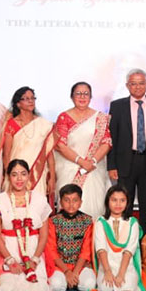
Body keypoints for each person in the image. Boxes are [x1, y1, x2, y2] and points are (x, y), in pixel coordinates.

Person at [107, 69, 146, 231]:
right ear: (127, 86)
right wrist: (111, 165)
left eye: (141, 83)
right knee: (124, 204)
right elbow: (112, 138)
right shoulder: (117, 106)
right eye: (133, 84)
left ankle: (145, 241)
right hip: (125, 162)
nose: (137, 87)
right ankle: (126, 239)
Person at [0, 159, 54, 291]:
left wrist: (35, 259)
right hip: (7, 253)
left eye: (23, 174)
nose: (19, 179)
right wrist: (10, 260)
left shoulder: (39, 199)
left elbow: (43, 235)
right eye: (14, 175)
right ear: (8, 177)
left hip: (33, 252)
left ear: (29, 176)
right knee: (7, 290)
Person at [52, 82, 112, 218]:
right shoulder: (64, 117)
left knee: (95, 207)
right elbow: (60, 145)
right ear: (72, 96)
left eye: (86, 94)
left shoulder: (100, 118)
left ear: (90, 97)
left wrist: (92, 161)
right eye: (78, 93)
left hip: (93, 168)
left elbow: (106, 142)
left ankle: (92, 232)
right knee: (69, 205)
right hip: (70, 168)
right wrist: (81, 162)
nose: (82, 97)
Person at [2, 86, 56, 197]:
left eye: (32, 98)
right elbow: (6, 154)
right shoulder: (11, 124)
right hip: (17, 172)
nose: (30, 101)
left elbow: (49, 152)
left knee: (36, 203)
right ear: (18, 103)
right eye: (26, 99)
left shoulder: (43, 124)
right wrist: (8, 176)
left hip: (38, 172)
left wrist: (52, 177)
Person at [92, 185, 144, 291]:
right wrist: (107, 271)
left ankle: (126, 281)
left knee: (127, 290)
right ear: (108, 201)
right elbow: (101, 249)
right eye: (114, 200)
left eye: (122, 200)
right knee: (105, 290)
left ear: (127, 203)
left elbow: (129, 251)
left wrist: (121, 274)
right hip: (106, 266)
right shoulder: (101, 222)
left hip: (126, 268)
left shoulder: (132, 223)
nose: (118, 204)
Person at [44, 184, 97, 291]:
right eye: (67, 200)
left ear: (80, 202)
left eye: (75, 200)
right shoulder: (53, 221)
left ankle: (73, 281)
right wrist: (67, 272)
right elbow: (51, 250)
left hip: (80, 266)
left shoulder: (87, 221)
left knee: (89, 284)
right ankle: (69, 282)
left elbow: (86, 251)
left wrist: (75, 272)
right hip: (60, 266)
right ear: (61, 202)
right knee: (56, 285)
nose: (71, 204)